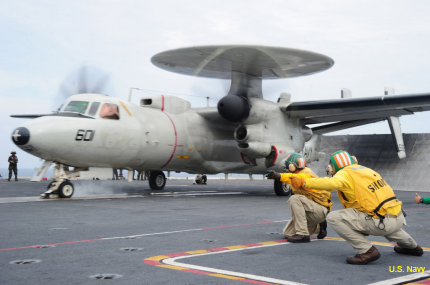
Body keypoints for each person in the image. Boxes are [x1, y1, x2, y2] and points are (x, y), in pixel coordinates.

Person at [290, 150, 423, 265]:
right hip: (398, 218)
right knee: (383, 217)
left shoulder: (344, 173)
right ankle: (412, 247)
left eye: (331, 166)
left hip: (381, 222)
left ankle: (366, 250)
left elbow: (330, 183)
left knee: (333, 218)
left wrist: (304, 182)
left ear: (334, 166)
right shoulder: (367, 170)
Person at [266, 153, 333, 243]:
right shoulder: (301, 173)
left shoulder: (305, 173)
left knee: (294, 199)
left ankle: (303, 234)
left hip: (320, 209)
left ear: (292, 166)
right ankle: (319, 226)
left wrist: (278, 176)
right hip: (311, 209)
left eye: (288, 166)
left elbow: (293, 178)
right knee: (288, 233)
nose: (287, 168)